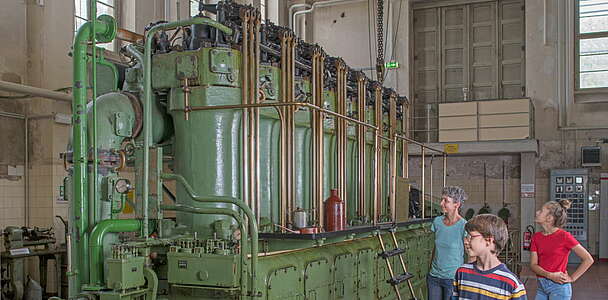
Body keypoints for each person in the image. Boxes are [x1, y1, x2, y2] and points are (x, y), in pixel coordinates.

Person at [530, 199, 594, 300]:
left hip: (559, 288)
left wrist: (572, 278)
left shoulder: (564, 236)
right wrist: (549, 275)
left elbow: (588, 259)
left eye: (541, 211)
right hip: (541, 286)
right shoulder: (536, 237)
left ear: (549, 218)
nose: (537, 212)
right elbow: (533, 265)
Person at [453, 214, 527, 300]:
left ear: (488, 240)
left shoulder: (511, 283)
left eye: (471, 237)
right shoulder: (462, 273)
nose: (465, 241)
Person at [428, 186, 468, 300]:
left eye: (446, 200)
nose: (441, 203)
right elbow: (435, 248)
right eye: (442, 199)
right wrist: (430, 268)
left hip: (452, 279)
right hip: (434, 277)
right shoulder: (437, 222)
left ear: (457, 204)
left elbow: (470, 253)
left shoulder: (464, 226)